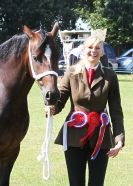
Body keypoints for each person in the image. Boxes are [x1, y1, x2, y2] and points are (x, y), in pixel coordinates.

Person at [47, 36, 125, 186]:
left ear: (102, 52)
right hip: (73, 138)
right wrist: (52, 108)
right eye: (90, 47)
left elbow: (116, 110)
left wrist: (119, 138)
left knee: (97, 183)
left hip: (101, 139)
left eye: (97, 48)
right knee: (76, 183)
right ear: (83, 50)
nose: (93, 51)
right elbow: (60, 100)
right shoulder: (71, 73)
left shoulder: (110, 76)